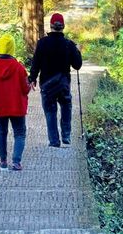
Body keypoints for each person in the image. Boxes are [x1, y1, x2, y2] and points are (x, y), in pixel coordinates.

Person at [28, 12, 82, 148]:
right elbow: (77, 65)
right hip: (63, 82)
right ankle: (66, 135)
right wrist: (78, 51)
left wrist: (32, 78)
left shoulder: (42, 43)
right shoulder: (69, 44)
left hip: (46, 84)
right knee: (66, 106)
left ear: (51, 26)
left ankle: (54, 141)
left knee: (50, 112)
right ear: (63, 26)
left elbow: (36, 63)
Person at [0, 33, 30, 171]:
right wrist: (29, 85)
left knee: (1, 132)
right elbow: (25, 89)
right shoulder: (19, 67)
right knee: (20, 133)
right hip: (17, 106)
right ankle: (16, 162)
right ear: (12, 49)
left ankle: (3, 161)